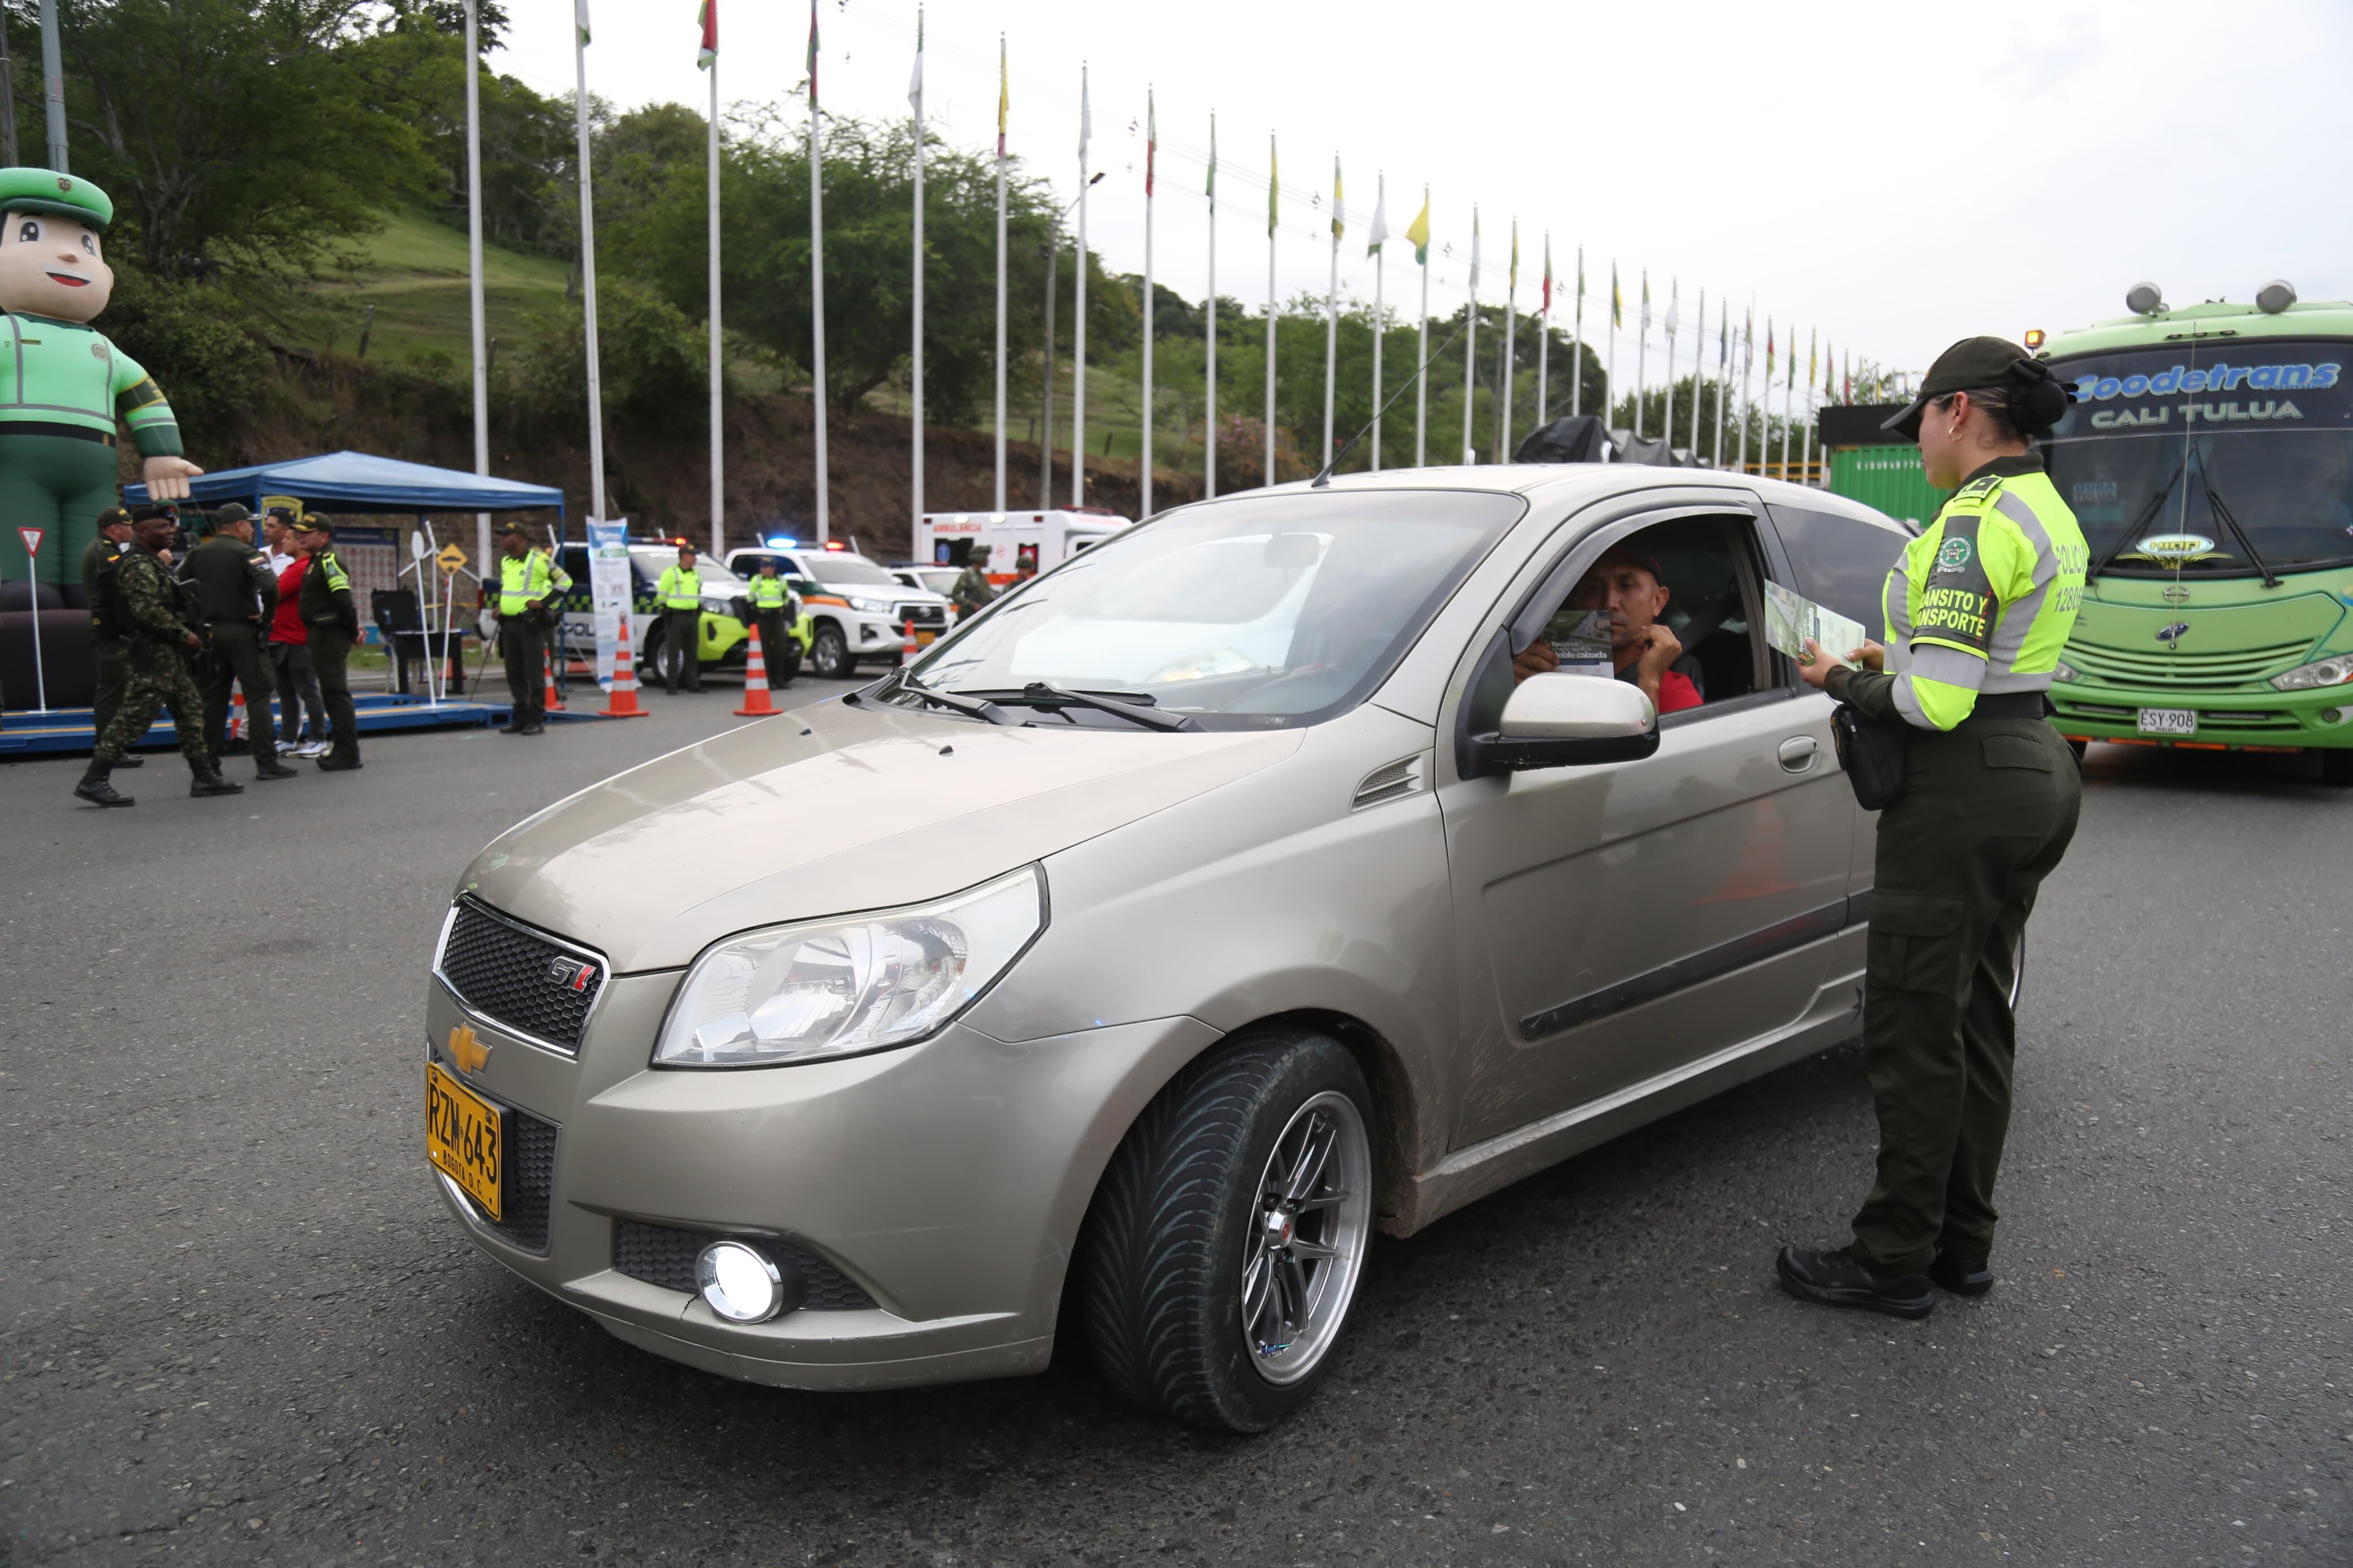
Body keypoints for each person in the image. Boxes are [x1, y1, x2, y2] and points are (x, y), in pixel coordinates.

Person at [1777, 337, 2087, 1319]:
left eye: (1918, 421)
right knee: (1977, 1014)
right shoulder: (2043, 503)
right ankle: (1962, 1242)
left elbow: (1939, 703)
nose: (1915, 440)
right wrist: (1900, 653)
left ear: (1959, 410)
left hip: (1964, 788)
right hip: (2032, 763)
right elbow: (1976, 660)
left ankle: (1891, 1256)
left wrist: (1844, 677)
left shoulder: (1971, 522)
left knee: (1914, 1023)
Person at [72, 506, 243, 805]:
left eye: (171, 525)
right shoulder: (138, 565)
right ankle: (94, 779)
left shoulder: (151, 562)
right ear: (141, 532)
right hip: (151, 651)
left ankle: (204, 776)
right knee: (134, 717)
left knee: (190, 712)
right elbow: (146, 610)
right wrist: (183, 634)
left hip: (166, 653)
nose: (171, 530)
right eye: (162, 527)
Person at [1510, 543, 1705, 714]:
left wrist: (1649, 685)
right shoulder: (1535, 663)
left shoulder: (1674, 693)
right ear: (1577, 600)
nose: (1609, 602)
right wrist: (1505, 684)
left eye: (1627, 586)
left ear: (1658, 602)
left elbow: (1662, 756)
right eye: (1593, 588)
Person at [180, 502, 294, 780]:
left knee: (213, 700)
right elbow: (270, 586)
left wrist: (193, 618)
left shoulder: (197, 553)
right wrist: (266, 617)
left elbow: (177, 586)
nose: (252, 529)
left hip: (208, 634)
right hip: (243, 631)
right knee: (258, 695)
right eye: (250, 524)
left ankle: (208, 766)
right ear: (239, 526)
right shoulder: (247, 554)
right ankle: (266, 763)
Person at [293, 513, 363, 771]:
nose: (301, 536)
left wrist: (352, 630)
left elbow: (343, 599)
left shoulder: (330, 560)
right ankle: (343, 749)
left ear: (324, 536)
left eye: (307, 532)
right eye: (299, 532)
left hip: (330, 634)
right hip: (321, 634)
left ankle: (348, 753)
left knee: (336, 693)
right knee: (331, 694)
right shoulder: (315, 561)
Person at [79, 505, 142, 766]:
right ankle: (109, 749)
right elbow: (122, 584)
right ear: (114, 528)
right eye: (127, 525)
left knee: (116, 687)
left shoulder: (104, 549)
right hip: (109, 629)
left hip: (109, 627)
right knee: (112, 689)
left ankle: (111, 746)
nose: (131, 529)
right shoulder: (105, 552)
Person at [494, 523, 571, 736]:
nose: (501, 540)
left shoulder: (538, 560)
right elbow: (510, 590)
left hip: (529, 625)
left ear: (519, 538)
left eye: (505, 536)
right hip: (508, 623)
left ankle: (536, 719)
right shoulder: (506, 562)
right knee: (514, 672)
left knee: (534, 673)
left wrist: (544, 603)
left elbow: (565, 581)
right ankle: (520, 716)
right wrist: (500, 607)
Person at [269, 532, 328, 759]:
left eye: (289, 538)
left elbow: (275, 592)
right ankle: (288, 738)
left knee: (307, 690)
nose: (284, 541)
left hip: (297, 639)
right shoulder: (294, 567)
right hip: (282, 637)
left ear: (301, 543)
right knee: (286, 691)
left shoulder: (301, 568)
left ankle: (318, 738)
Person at [656, 545, 704, 693]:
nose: (695, 558)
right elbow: (662, 595)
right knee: (674, 651)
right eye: (692, 555)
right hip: (676, 617)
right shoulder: (671, 574)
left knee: (692, 652)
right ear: (684, 556)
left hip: (692, 616)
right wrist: (665, 610)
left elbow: (697, 593)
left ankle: (693, 684)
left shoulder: (696, 574)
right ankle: (672, 684)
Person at [747, 560, 796, 685]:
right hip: (763, 617)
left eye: (767, 567)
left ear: (773, 568)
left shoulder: (781, 581)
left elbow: (786, 597)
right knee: (765, 650)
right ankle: (767, 680)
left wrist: (783, 608)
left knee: (780, 649)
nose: (764, 569)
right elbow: (751, 598)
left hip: (777, 617)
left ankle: (779, 679)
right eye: (762, 567)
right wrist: (757, 610)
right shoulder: (757, 580)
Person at [950, 545, 996, 620]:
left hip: (980, 615)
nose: (988, 560)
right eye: (986, 557)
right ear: (980, 558)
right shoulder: (968, 574)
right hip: (969, 617)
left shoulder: (981, 575)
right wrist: (973, 605)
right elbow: (955, 595)